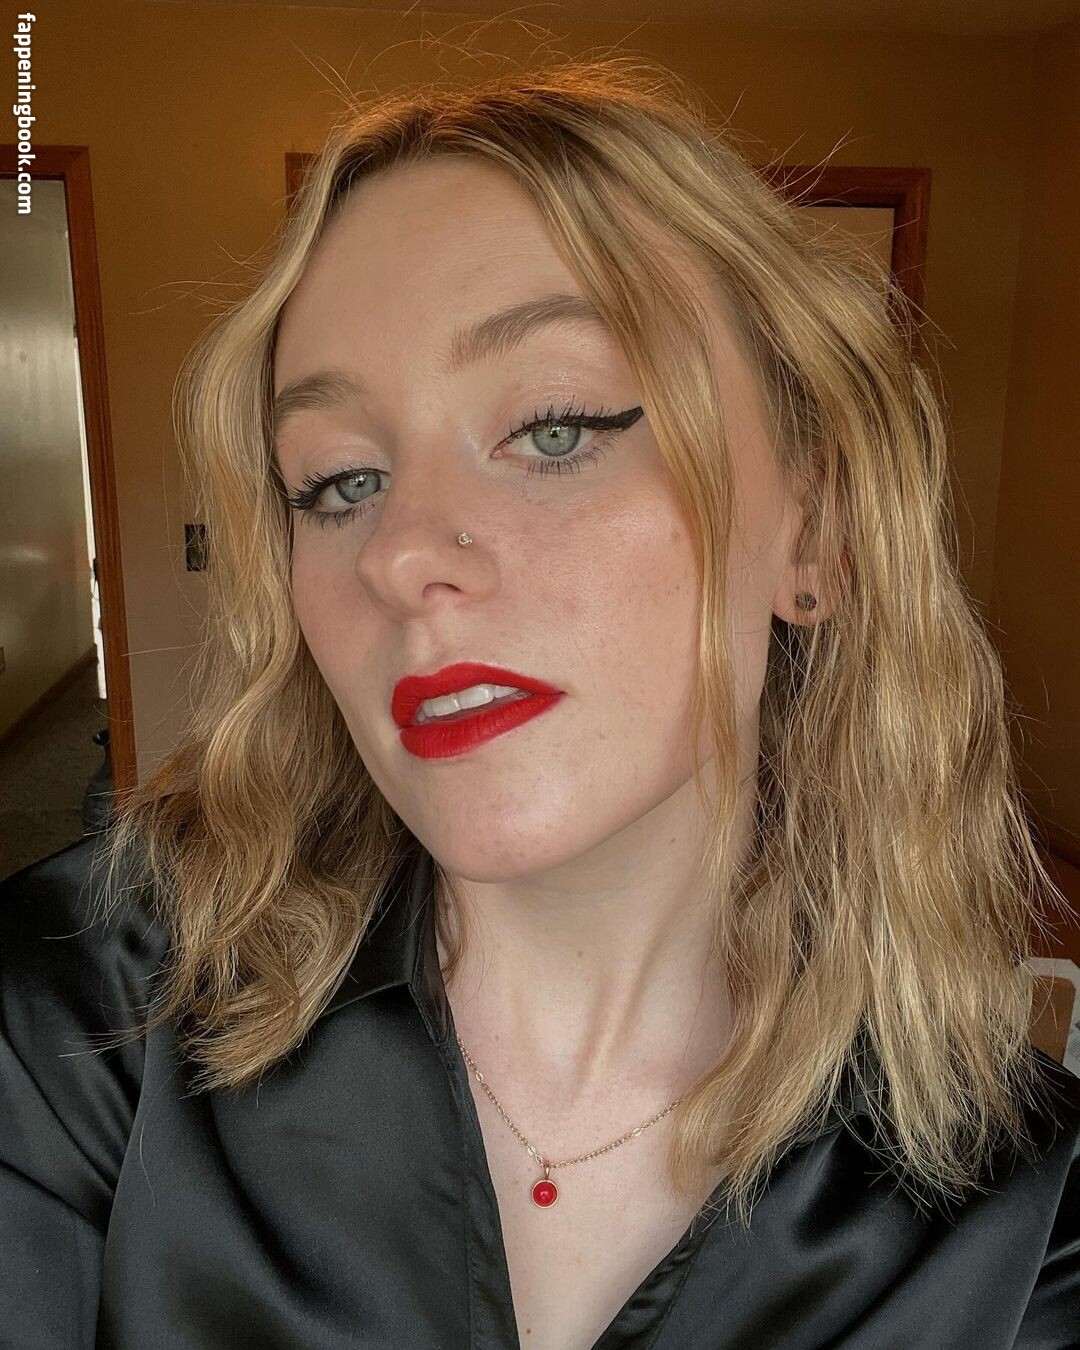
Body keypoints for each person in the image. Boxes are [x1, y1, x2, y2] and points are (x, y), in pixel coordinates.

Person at [2, 56, 1078, 1350]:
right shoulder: (85, 1018)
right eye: (340, 481)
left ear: (816, 530)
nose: (400, 552)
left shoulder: (1023, 1226)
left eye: (556, 427)